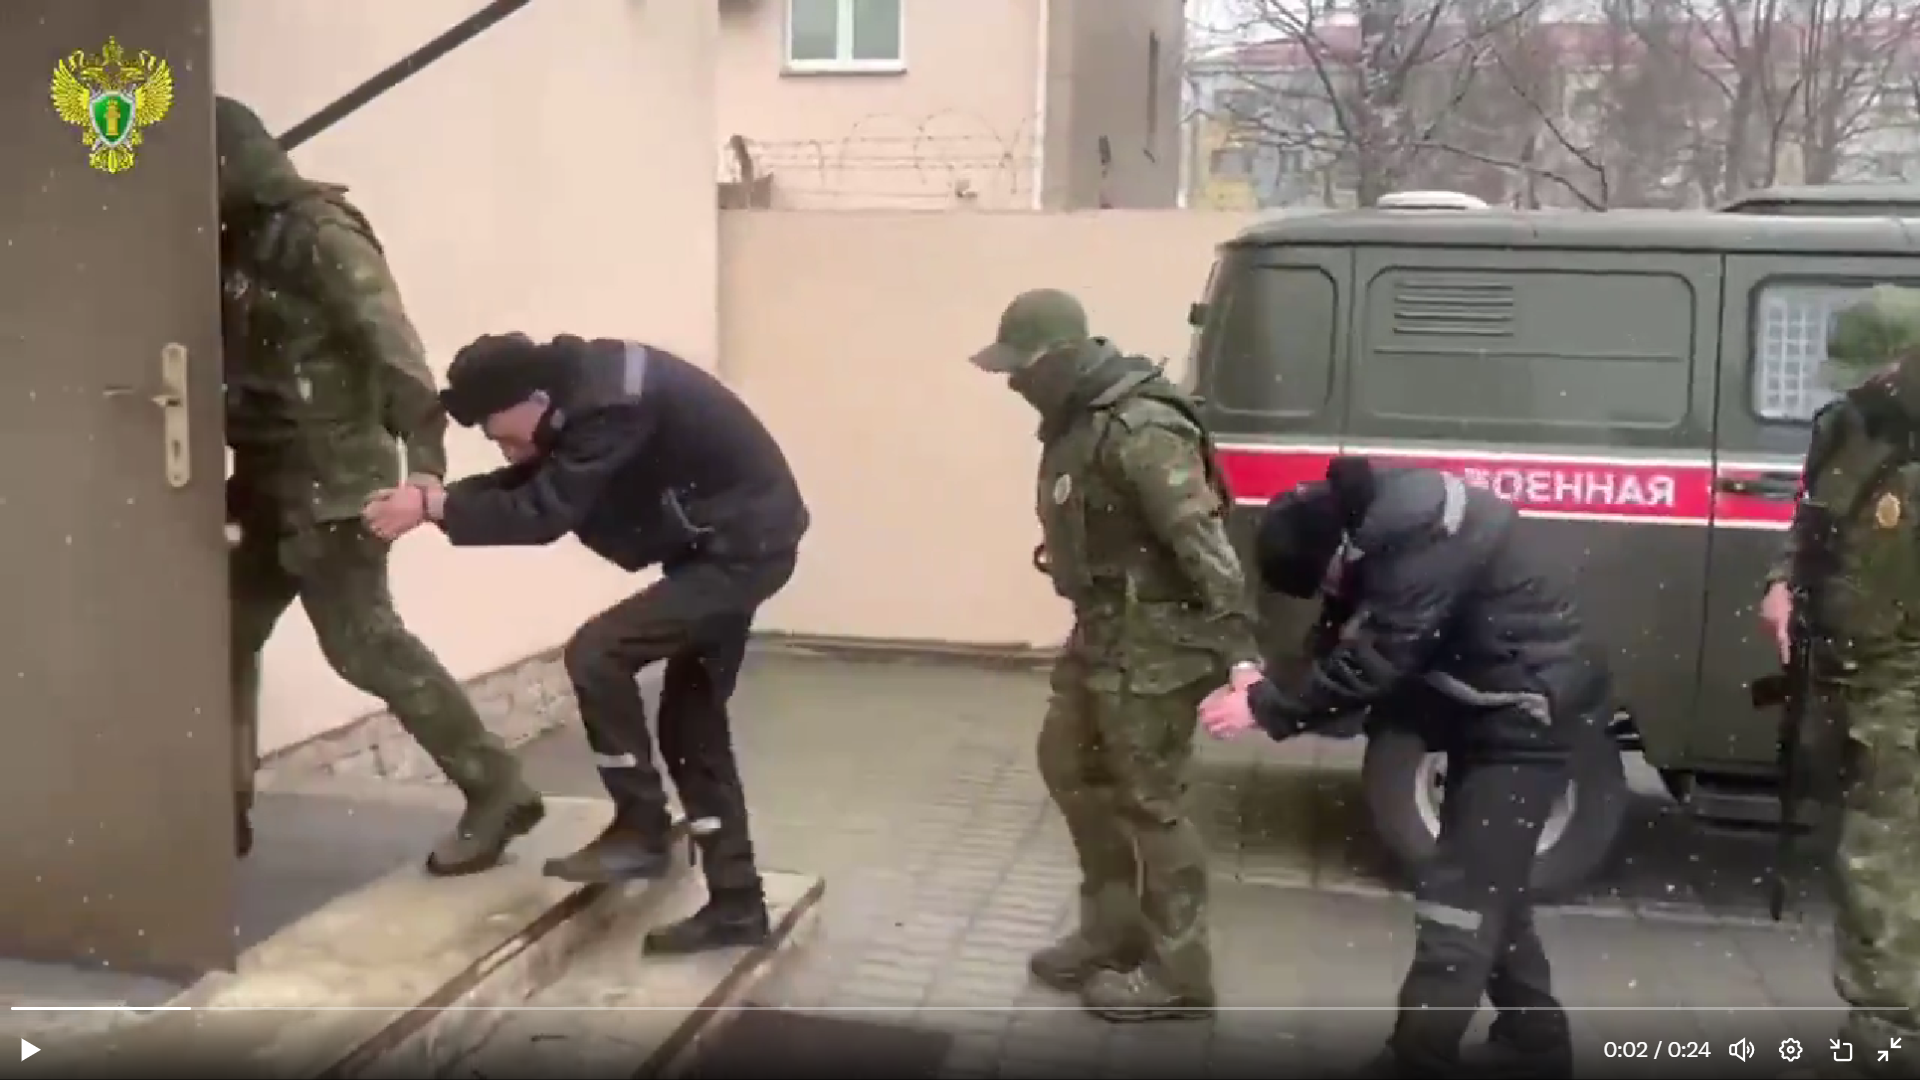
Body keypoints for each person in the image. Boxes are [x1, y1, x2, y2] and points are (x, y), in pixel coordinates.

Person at [362, 332, 808, 954]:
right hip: (729, 544)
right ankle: (737, 905)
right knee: (690, 724)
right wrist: (434, 502)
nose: (504, 448)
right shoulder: (581, 395)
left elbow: (545, 509)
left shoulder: (611, 406)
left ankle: (641, 828)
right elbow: (533, 478)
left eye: (502, 434)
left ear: (535, 399)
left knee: (599, 653)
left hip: (741, 552)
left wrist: (436, 508)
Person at [216, 96, 543, 872]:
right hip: (262, 479)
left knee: (363, 645)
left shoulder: (319, 235)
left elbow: (392, 345)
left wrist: (425, 467)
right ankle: (218, 804)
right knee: (218, 635)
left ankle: (497, 787)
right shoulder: (231, 239)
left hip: (334, 484)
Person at [1200, 457, 1602, 1079]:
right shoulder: (1382, 526)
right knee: (1491, 883)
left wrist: (1266, 709)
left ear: (1336, 550)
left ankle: (1418, 1057)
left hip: (1525, 719)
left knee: (1458, 900)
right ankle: (1534, 1041)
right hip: (1491, 713)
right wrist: (1265, 686)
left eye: (1323, 579)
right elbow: (1339, 641)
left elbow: (1379, 658)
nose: (1330, 591)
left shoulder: (1420, 537)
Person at [968, 289, 1259, 1020]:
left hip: (1159, 644)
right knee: (1069, 765)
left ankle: (1180, 974)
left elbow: (1206, 547)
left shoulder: (1142, 428)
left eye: (1021, 366)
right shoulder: (1079, 420)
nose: (1012, 382)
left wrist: (1241, 657)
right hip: (1103, 631)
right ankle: (1114, 928)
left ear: (1060, 357)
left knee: (1150, 802)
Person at [1754, 286, 1920, 1079]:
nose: (1860, 387)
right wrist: (1781, 582)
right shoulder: (1841, 429)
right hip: (1842, 670)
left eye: (1874, 371)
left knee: (1878, 858)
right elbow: (1810, 523)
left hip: (1907, 678)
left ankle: (1890, 1033)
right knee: (1867, 853)